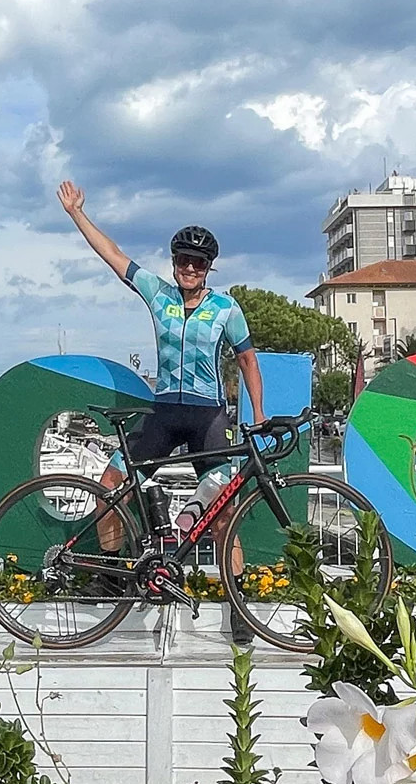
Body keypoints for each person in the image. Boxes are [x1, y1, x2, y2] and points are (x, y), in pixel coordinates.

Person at [56, 180, 264, 643]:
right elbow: (114, 256)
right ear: (174, 263)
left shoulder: (226, 308)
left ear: (209, 268)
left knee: (224, 516)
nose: (189, 268)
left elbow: (248, 361)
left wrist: (258, 414)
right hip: (164, 412)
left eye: (198, 262)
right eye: (183, 260)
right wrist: (77, 214)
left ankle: (238, 606)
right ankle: (113, 577)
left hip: (209, 418)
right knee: (110, 485)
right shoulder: (158, 294)